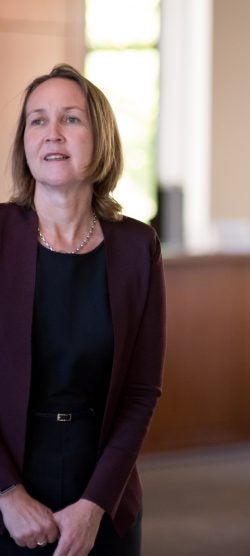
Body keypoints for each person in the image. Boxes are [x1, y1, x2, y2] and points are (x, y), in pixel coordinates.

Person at [0, 64, 166, 556]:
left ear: (101, 138)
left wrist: (95, 503)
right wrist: (7, 494)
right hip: (7, 489)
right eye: (37, 120)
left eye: (70, 119)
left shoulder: (137, 246)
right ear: (24, 142)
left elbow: (142, 391)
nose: (52, 133)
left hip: (103, 488)